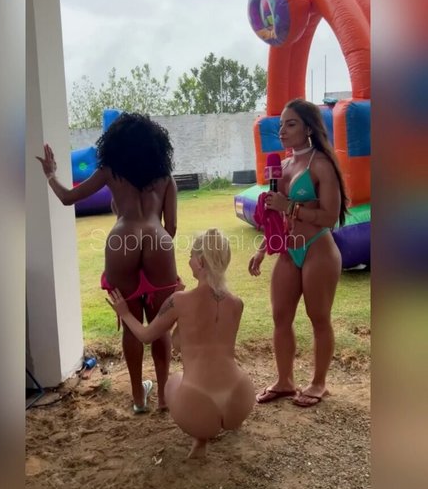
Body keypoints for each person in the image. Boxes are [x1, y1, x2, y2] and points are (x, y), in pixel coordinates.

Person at [36, 113, 179, 413]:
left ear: (115, 143)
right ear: (156, 144)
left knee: (130, 324)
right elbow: (172, 227)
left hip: (121, 240)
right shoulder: (165, 178)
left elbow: (68, 198)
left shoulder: (110, 171)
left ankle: (139, 397)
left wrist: (51, 175)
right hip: (159, 240)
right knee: (161, 326)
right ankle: (164, 397)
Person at [106, 229, 255, 459]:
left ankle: (201, 439)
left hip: (198, 408)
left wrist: (124, 312)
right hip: (240, 399)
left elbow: (146, 336)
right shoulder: (237, 303)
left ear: (201, 261)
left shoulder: (179, 301)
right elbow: (191, 338)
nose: (188, 261)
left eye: (191, 256)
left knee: (173, 381)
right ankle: (224, 421)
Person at [248, 98, 348, 407]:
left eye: (290, 124)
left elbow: (330, 217)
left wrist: (290, 206)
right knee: (280, 317)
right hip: (288, 252)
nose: (282, 131)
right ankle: (285, 381)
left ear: (308, 128)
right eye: (280, 125)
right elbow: (277, 219)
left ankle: (318, 383)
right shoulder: (283, 166)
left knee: (318, 317)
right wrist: (263, 249)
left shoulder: (321, 164)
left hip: (318, 249)